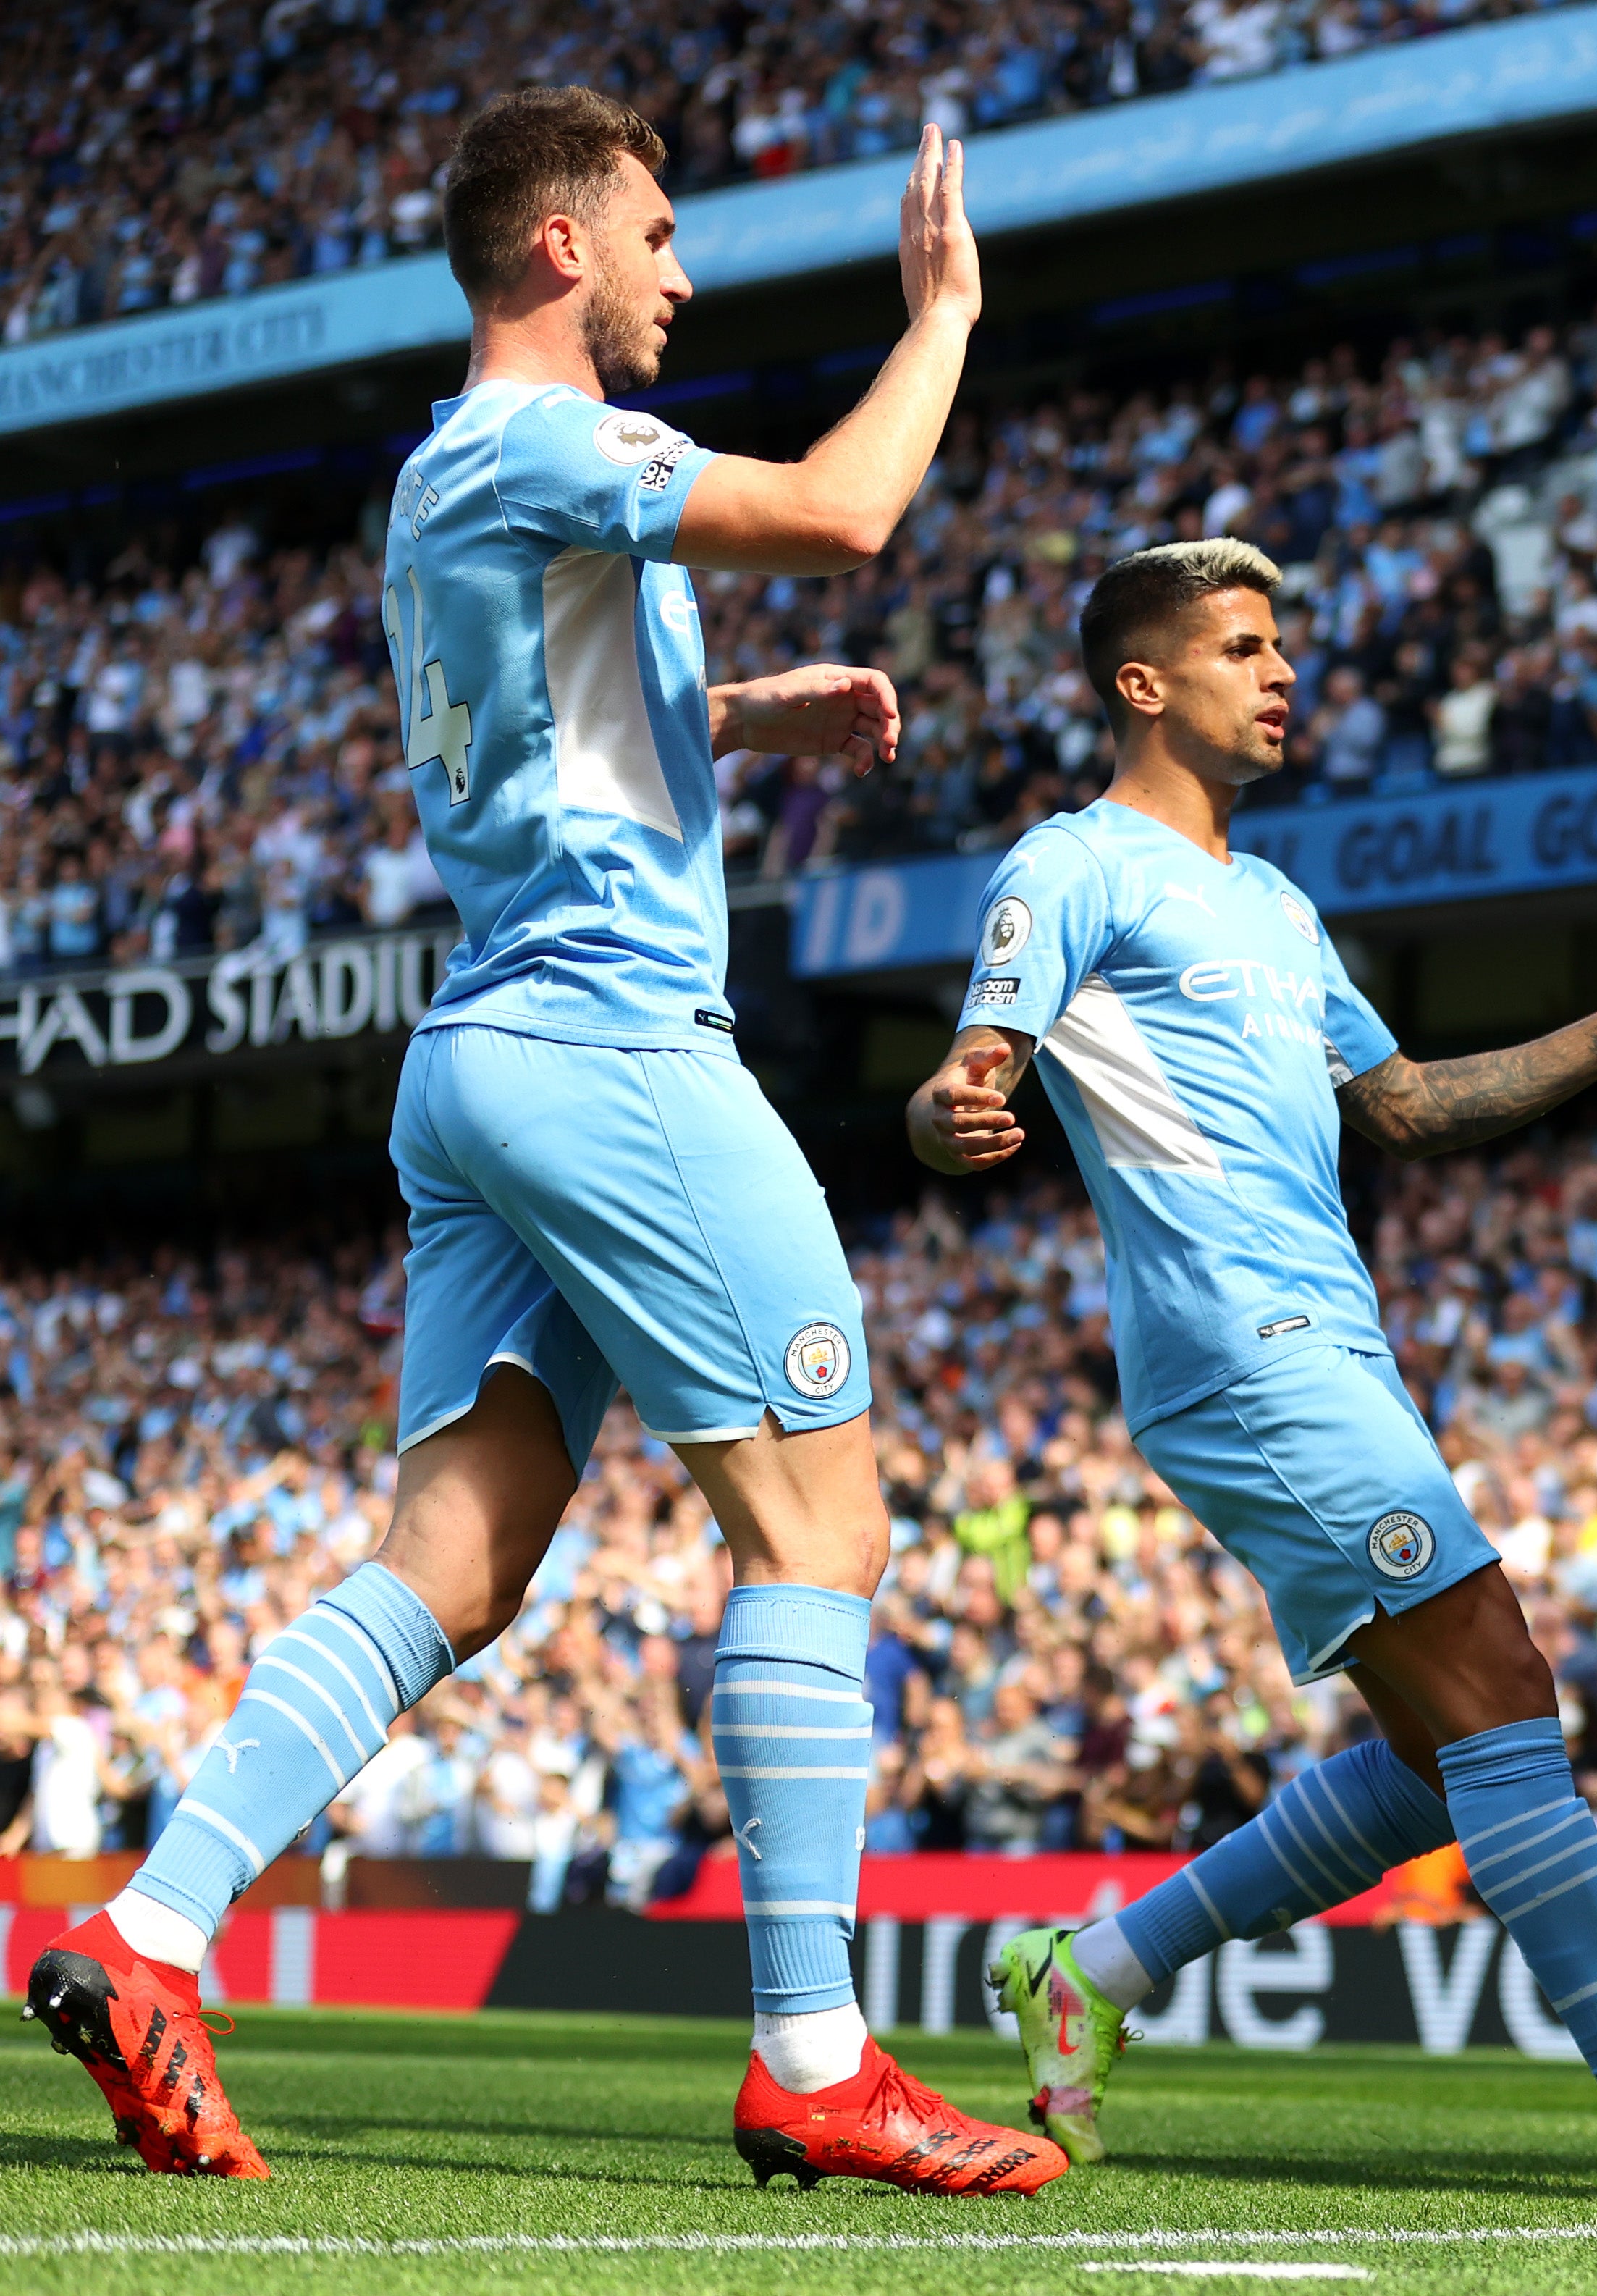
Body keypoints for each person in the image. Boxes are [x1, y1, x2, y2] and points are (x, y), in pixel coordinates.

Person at [20, 92, 1058, 2195]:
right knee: (818, 1533)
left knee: (455, 1562)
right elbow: (849, 506)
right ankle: (813, 2053)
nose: (686, 272)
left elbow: (571, 721)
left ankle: (141, 1933)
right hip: (610, 1040)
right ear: (563, 251)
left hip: (483, 1046)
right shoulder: (545, 443)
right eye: (661, 235)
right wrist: (945, 316)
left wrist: (760, 716)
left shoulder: (469, 485)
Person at [909, 538, 1597, 2198]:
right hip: (1239, 1348)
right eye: (1242, 646)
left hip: (1335, 1339)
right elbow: (963, 1076)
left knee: (1442, 1758)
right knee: (1504, 1687)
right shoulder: (1069, 869)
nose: (1283, 674)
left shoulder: (1275, 905)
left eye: (1284, 645)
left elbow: (1409, 1107)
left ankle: (1096, 1975)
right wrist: (947, 1115)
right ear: (1144, 684)